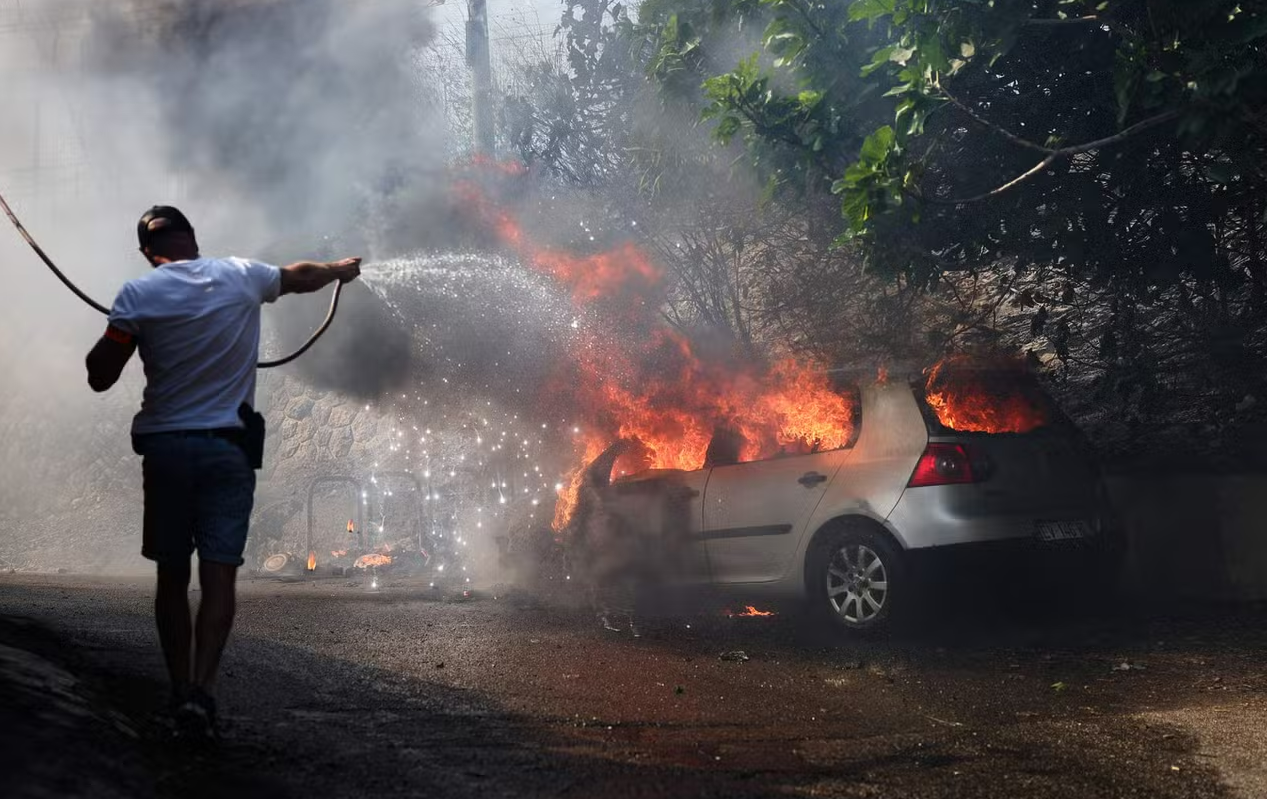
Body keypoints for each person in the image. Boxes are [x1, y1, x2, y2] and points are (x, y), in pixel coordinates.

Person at [85, 205, 361, 740]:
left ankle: (178, 688)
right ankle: (204, 694)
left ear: (148, 252)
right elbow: (298, 277)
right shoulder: (239, 274)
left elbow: (100, 375)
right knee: (219, 576)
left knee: (171, 575)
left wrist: (128, 332)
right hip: (227, 453)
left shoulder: (137, 295)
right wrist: (335, 269)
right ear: (193, 238)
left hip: (166, 452)